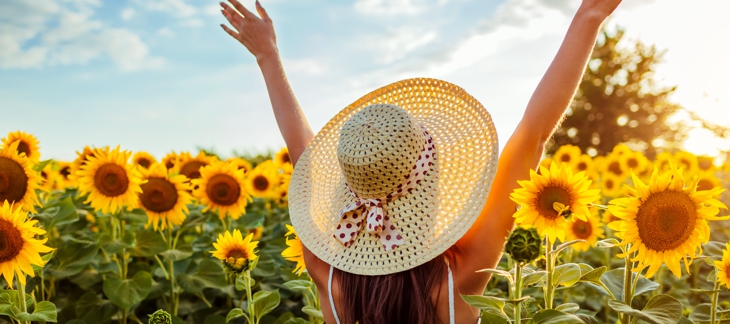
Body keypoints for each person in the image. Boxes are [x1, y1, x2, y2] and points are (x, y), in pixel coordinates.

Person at [219, 0, 622, 322]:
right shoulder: (459, 278)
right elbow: (531, 136)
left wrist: (267, 57)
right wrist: (590, 16)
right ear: (431, 182)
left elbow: (302, 155)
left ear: (349, 182)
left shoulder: (328, 279)